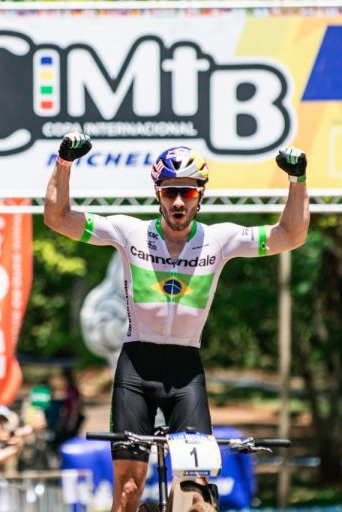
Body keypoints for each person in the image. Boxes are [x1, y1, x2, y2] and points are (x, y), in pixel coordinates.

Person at [43, 133, 309, 512]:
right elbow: (57, 218)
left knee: (197, 495)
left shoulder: (220, 239)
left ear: (201, 195)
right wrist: (64, 164)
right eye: (170, 192)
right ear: (158, 194)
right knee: (128, 492)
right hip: (136, 369)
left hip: (186, 373)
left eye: (187, 191)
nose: (179, 201)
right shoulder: (131, 233)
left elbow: (291, 235)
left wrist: (298, 180)